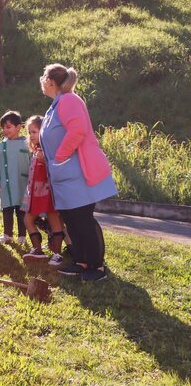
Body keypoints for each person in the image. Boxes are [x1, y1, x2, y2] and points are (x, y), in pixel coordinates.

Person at [39, 64, 117, 282]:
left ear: (51, 81)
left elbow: (78, 130)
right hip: (65, 176)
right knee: (72, 219)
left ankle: (97, 267)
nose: (41, 81)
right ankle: (81, 262)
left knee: (83, 219)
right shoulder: (56, 105)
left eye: (43, 77)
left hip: (77, 173)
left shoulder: (69, 100)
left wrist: (60, 157)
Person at [21, 115, 67, 264]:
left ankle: (57, 254)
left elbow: (55, 168)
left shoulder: (48, 151)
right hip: (35, 193)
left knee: (54, 220)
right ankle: (37, 249)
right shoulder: (36, 151)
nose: (31, 135)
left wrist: (45, 160)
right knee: (28, 219)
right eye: (29, 132)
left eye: (34, 132)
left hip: (48, 193)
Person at [0, 111, 31, 246]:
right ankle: (7, 235)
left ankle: (22, 236)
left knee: (21, 211)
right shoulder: (0, 147)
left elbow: (33, 163)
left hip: (23, 184)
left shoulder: (27, 144)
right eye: (3, 127)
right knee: (7, 209)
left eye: (8, 127)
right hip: (6, 185)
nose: (5, 130)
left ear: (19, 127)